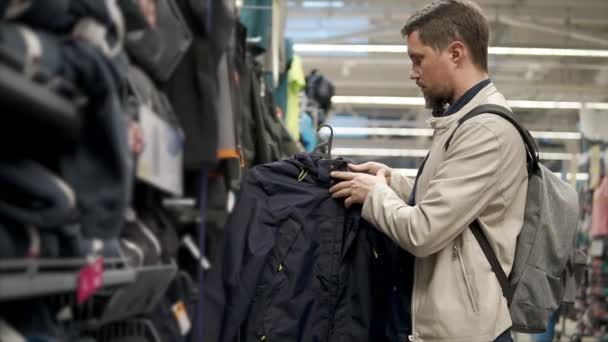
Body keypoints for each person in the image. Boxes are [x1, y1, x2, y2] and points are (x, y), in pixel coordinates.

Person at [329, 1, 528, 341]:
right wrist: (393, 182)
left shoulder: (486, 132)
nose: (413, 72)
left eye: (417, 58)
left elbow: (424, 231)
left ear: (455, 53)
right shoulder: (462, 122)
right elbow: (449, 204)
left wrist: (374, 195)